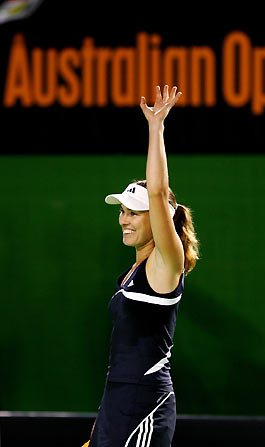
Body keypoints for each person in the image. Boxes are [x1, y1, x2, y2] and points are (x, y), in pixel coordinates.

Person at [82, 85, 199, 447]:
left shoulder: (167, 261)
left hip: (146, 404)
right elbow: (122, 357)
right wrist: (101, 423)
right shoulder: (128, 275)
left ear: (159, 219)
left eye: (135, 213)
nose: (124, 220)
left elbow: (159, 192)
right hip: (117, 404)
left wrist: (156, 128)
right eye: (122, 211)